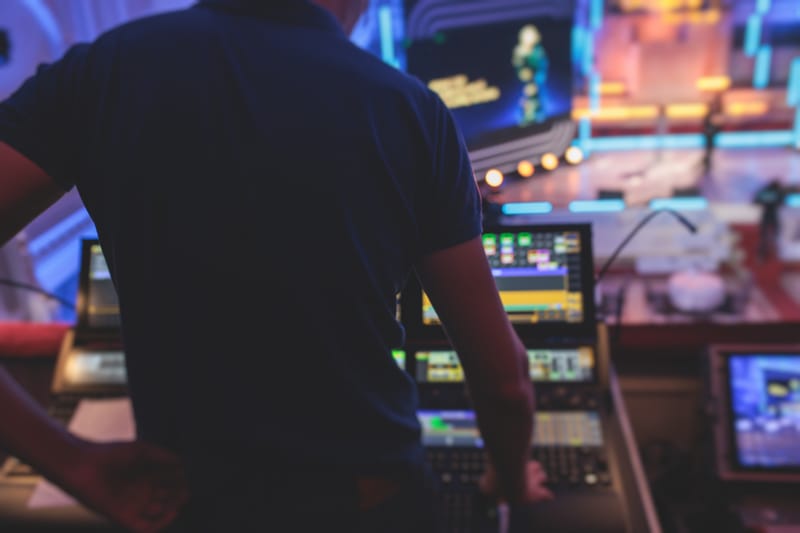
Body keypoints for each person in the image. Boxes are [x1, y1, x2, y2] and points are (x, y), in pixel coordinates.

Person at [0, 0, 551, 531]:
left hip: (188, 507)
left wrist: (69, 461)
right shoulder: (410, 110)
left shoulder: (102, 71)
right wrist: (509, 480)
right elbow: (504, 381)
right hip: (368, 507)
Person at [753, 178, 786, 262]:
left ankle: (763, 256)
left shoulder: (764, 192)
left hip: (767, 216)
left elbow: (756, 201)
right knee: (771, 236)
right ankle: (769, 255)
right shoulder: (777, 192)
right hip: (771, 216)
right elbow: (782, 202)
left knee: (765, 237)